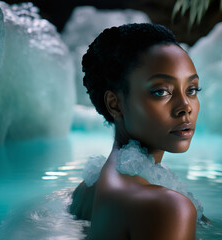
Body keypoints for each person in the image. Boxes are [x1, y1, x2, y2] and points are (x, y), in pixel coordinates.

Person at [70, 23, 203, 240]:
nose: (185, 106)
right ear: (115, 105)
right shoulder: (168, 208)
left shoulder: (85, 192)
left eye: (192, 90)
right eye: (161, 92)